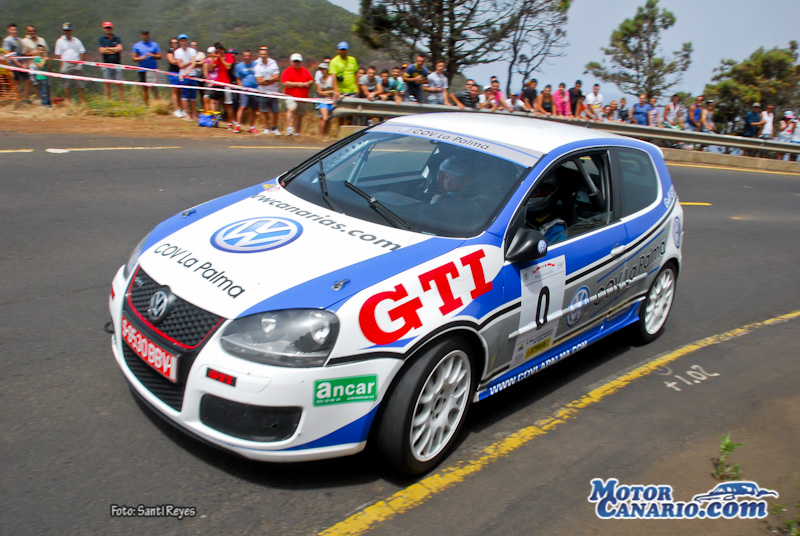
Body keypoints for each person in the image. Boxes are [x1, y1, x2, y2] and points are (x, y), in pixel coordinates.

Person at [281, 53, 314, 136]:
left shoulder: (305, 71)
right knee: (292, 108)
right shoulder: (287, 71)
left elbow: (311, 80)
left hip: (302, 97)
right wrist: (297, 84)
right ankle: (289, 127)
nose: (296, 63)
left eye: (298, 62)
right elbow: (285, 83)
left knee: (299, 115)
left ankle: (297, 132)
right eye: (295, 61)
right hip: (291, 95)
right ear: (291, 62)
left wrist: (307, 83)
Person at [54, 23, 87, 105]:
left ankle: (82, 101)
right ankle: (69, 101)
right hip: (66, 63)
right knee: (67, 84)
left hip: (77, 63)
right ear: (63, 31)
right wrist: (62, 64)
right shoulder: (60, 41)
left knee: (80, 83)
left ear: (71, 30)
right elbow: (58, 54)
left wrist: (81, 63)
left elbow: (81, 51)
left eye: (68, 30)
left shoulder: (76, 40)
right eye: (65, 30)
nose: (67, 32)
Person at [253, 45, 280, 135]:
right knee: (263, 110)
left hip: (273, 91)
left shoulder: (273, 63)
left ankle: (275, 128)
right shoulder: (256, 64)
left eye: (264, 54)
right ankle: (266, 127)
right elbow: (259, 81)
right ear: (259, 54)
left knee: (275, 111)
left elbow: (276, 77)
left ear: (267, 54)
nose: (263, 56)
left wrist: (266, 80)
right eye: (261, 54)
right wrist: (269, 80)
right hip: (262, 91)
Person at [131, 30, 161, 105]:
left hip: (152, 69)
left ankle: (158, 104)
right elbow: (134, 58)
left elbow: (160, 56)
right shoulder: (137, 45)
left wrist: (153, 55)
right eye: (144, 35)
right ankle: (146, 105)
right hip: (142, 70)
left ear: (149, 35)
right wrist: (141, 58)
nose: (145, 36)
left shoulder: (154, 45)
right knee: (144, 88)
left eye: (147, 34)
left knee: (154, 87)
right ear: (141, 35)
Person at [20, 25, 48, 102]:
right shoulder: (24, 41)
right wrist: (33, 53)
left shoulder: (41, 40)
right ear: (27, 32)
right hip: (32, 64)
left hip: (43, 63)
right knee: (36, 83)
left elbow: (46, 50)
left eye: (33, 30)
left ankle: (44, 98)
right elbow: (23, 53)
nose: (32, 32)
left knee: (44, 82)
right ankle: (38, 98)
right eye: (30, 31)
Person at [233, 50, 259, 133]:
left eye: (248, 56)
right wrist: (241, 87)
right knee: (242, 107)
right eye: (245, 56)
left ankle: (252, 127)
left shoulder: (256, 65)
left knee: (253, 109)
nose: (247, 57)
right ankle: (238, 126)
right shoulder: (239, 66)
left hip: (255, 89)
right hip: (244, 89)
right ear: (243, 56)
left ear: (251, 56)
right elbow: (238, 78)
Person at [173, 34, 198, 119]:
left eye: (185, 40)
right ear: (179, 42)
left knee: (193, 96)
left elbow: (194, 62)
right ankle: (187, 114)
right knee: (184, 95)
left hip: (192, 75)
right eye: (182, 40)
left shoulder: (192, 51)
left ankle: (193, 114)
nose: (183, 42)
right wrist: (190, 63)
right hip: (183, 76)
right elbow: (180, 65)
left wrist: (189, 68)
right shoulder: (177, 52)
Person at [98, 22, 124, 100]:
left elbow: (120, 48)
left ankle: (121, 101)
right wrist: (114, 49)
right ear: (103, 29)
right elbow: (102, 50)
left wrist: (108, 49)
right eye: (106, 28)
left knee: (119, 83)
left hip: (117, 64)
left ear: (112, 28)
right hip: (106, 64)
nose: (108, 29)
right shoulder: (101, 39)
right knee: (107, 84)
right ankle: (109, 100)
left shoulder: (117, 38)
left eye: (109, 28)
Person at [314, 60, 337, 137]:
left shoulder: (331, 78)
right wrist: (329, 92)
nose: (322, 71)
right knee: (324, 117)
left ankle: (326, 134)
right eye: (321, 69)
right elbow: (319, 92)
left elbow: (335, 90)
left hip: (331, 100)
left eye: (323, 69)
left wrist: (327, 92)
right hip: (322, 100)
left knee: (328, 119)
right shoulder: (320, 79)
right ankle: (321, 135)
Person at [3, 24, 25, 99]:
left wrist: (23, 62)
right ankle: (17, 97)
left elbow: (22, 52)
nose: (14, 31)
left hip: (20, 62)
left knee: (27, 80)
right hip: (12, 64)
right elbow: (7, 53)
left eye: (15, 29)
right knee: (16, 81)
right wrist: (18, 64)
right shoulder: (7, 40)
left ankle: (22, 96)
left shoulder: (19, 40)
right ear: (8, 30)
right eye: (12, 29)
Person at [165, 38, 183, 117]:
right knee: (175, 90)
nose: (175, 44)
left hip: (181, 72)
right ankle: (176, 109)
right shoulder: (170, 52)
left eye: (176, 42)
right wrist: (180, 60)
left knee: (181, 91)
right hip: (173, 72)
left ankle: (182, 108)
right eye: (173, 43)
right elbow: (172, 61)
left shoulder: (181, 51)